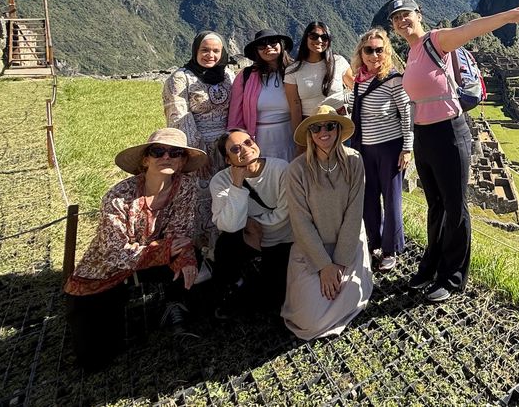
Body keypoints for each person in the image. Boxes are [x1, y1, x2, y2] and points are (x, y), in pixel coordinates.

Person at [387, 0, 519, 302]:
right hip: (423, 135)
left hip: (448, 132)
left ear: (419, 15)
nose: (402, 21)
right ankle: (431, 266)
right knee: (435, 205)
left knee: (455, 207)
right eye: (396, 18)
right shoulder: (412, 52)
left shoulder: (436, 41)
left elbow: (471, 29)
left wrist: (507, 15)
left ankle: (453, 277)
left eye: (406, 14)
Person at [63, 128, 207, 372]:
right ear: (145, 159)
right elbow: (116, 254)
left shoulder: (186, 187)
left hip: (149, 260)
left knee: (192, 258)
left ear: (183, 161)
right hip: (106, 272)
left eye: (175, 153)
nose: (167, 157)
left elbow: (180, 233)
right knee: (94, 359)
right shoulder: (118, 196)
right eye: (158, 151)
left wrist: (184, 256)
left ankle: (173, 303)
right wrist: (166, 249)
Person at [281, 105, 372, 339]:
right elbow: (300, 221)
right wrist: (324, 265)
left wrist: (340, 262)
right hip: (312, 249)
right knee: (308, 321)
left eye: (330, 126)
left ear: (338, 129)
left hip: (347, 245)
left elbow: (354, 213)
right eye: (316, 128)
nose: (324, 132)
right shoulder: (296, 170)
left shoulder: (354, 161)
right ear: (310, 134)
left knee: (349, 294)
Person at [344, 27, 412, 272]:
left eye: (379, 50)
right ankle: (374, 242)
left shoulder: (393, 80)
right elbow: (354, 108)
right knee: (368, 198)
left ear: (387, 52)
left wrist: (407, 148)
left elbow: (407, 115)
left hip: (389, 149)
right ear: (361, 53)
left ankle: (391, 249)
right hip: (364, 148)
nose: (374, 55)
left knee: (391, 200)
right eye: (369, 50)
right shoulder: (359, 80)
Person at [209, 128, 292, 317]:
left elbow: (284, 215)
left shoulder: (281, 169)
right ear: (228, 160)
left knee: (273, 301)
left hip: (281, 240)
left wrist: (252, 224)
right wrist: (236, 185)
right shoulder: (220, 181)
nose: (245, 149)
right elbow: (229, 226)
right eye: (236, 149)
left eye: (248, 142)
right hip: (245, 241)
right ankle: (230, 290)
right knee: (226, 243)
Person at [162, 31, 234, 177]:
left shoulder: (228, 75)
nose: (210, 55)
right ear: (196, 51)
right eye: (205, 50)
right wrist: (197, 153)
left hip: (227, 146)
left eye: (216, 51)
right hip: (197, 145)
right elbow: (178, 118)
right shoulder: (180, 78)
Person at [229, 28, 296, 162]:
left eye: (273, 42)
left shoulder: (294, 72)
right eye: (262, 45)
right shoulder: (246, 76)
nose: (268, 47)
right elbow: (235, 115)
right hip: (258, 141)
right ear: (257, 51)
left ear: (281, 45)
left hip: (290, 138)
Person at [285, 22, 350, 143]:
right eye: (314, 36)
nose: (319, 40)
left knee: (343, 155)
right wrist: (299, 140)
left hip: (339, 124)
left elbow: (357, 87)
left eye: (324, 37)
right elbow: (295, 108)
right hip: (312, 128)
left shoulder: (338, 62)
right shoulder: (293, 70)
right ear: (306, 38)